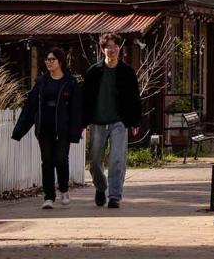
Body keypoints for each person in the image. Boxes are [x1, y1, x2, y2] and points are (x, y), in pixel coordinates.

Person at [12, 48, 83, 209]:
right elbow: (30, 107)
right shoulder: (41, 82)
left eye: (52, 59)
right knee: (47, 162)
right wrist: (19, 131)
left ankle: (64, 189)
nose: (49, 62)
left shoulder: (70, 83)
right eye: (47, 59)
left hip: (62, 129)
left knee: (61, 159)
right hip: (44, 129)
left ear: (60, 62)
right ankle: (49, 197)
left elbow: (76, 109)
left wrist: (76, 131)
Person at [83, 32, 141, 209]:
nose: (112, 50)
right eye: (108, 47)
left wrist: (135, 121)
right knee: (94, 161)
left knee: (117, 159)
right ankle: (101, 187)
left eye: (115, 46)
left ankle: (115, 195)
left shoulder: (127, 72)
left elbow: (134, 98)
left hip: (119, 121)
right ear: (103, 50)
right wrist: (83, 123)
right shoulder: (93, 72)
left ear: (119, 48)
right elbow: (85, 99)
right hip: (97, 121)